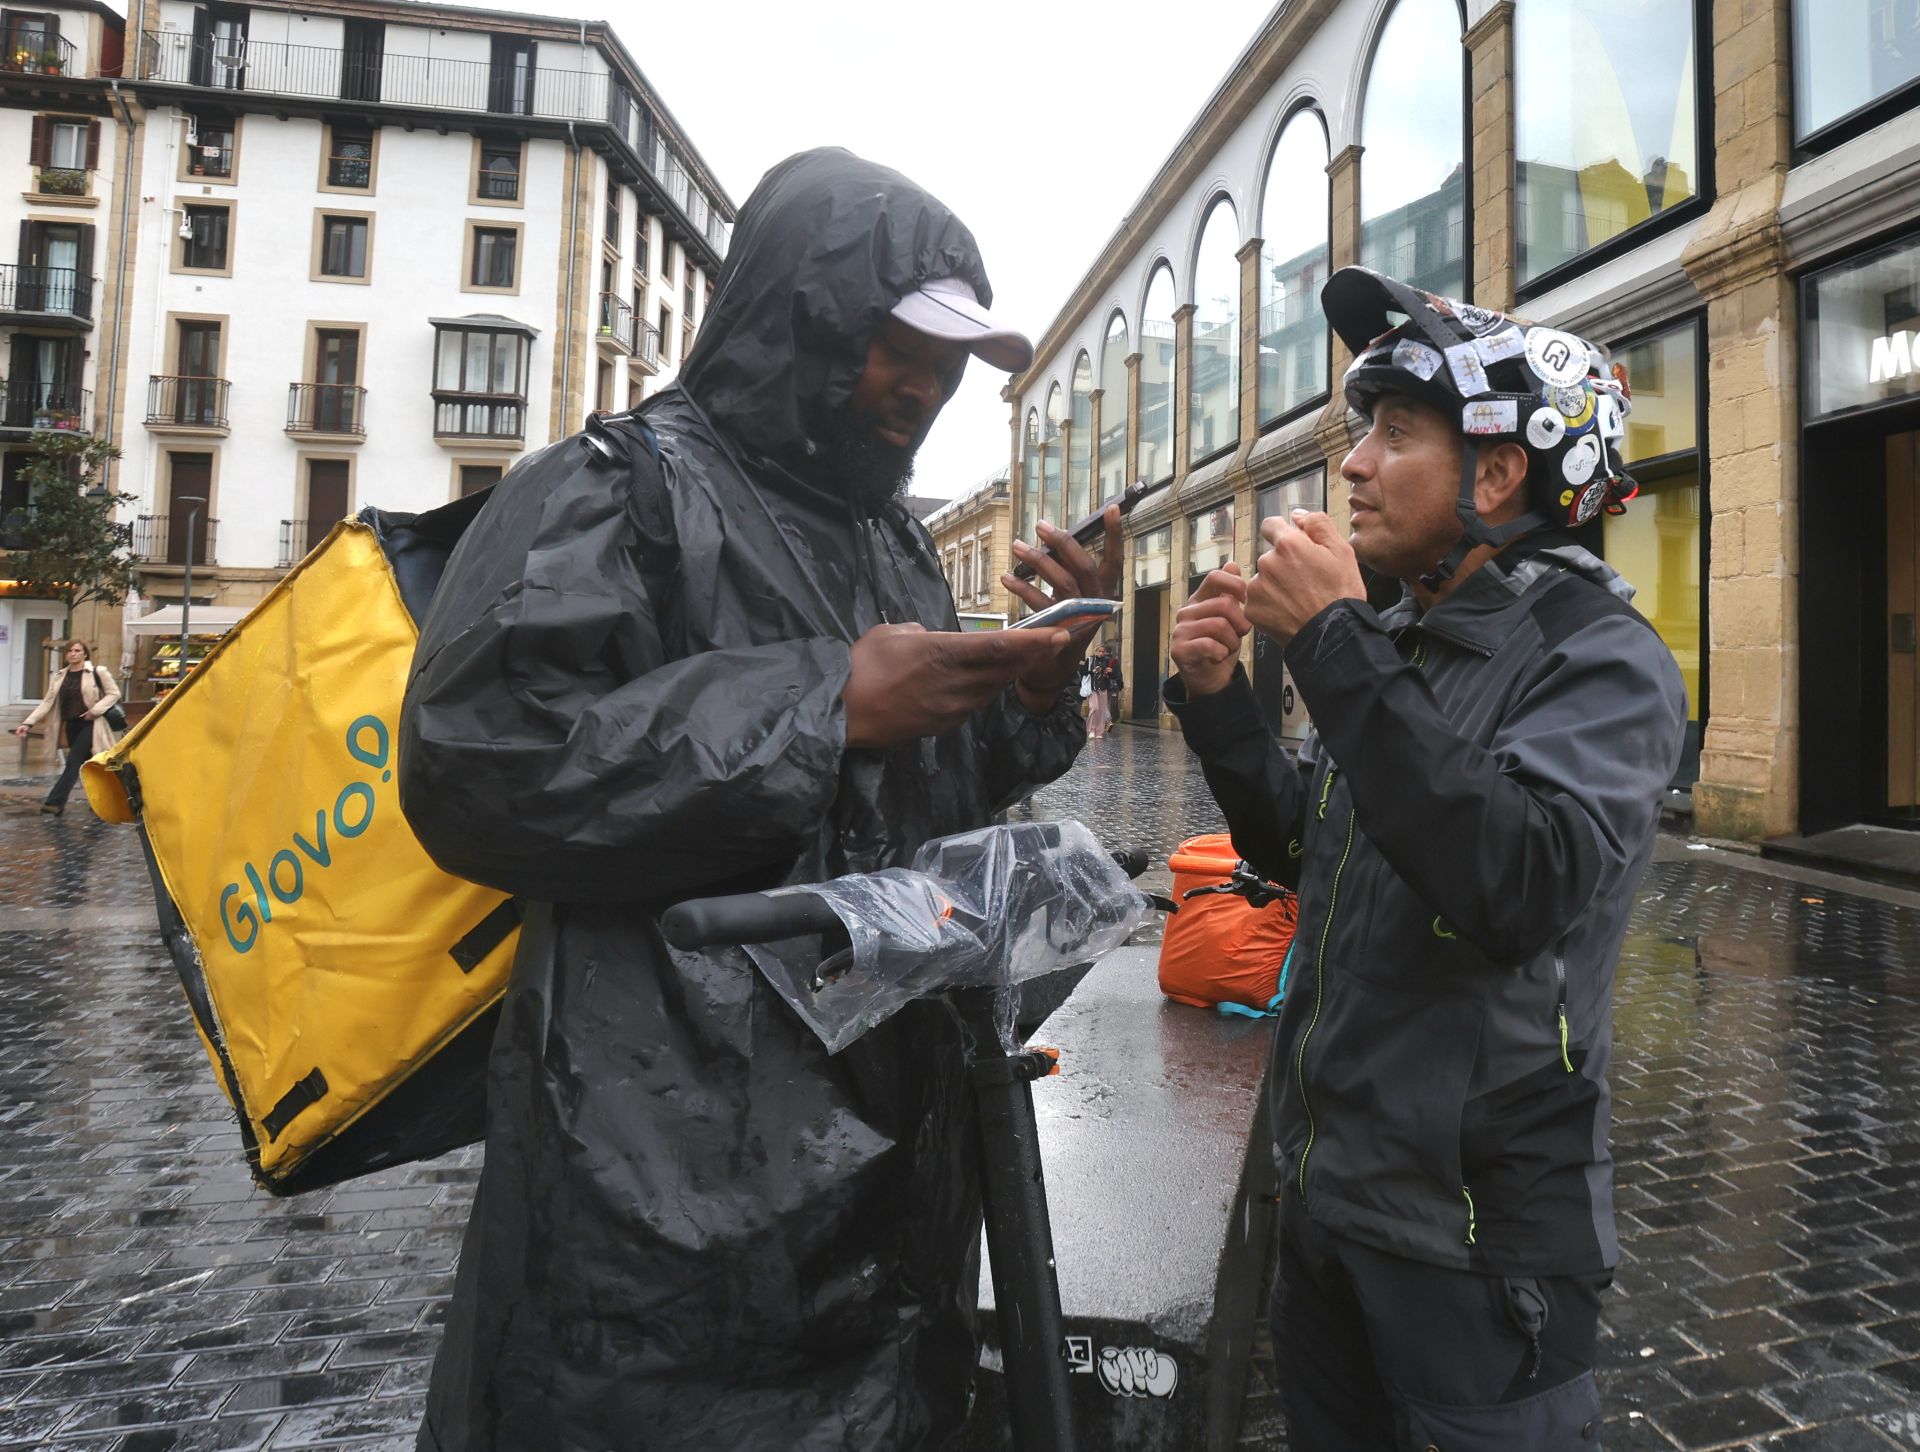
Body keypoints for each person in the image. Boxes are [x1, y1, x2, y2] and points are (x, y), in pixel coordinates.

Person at [397, 147, 1121, 1452]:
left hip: (886, 1183)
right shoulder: (609, 491)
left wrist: (1023, 693)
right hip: (661, 1188)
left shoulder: (891, 539)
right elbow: (478, 766)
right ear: (803, 316)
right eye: (901, 347)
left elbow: (914, 800)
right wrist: (821, 703)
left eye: (950, 361)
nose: (929, 387)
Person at [1165, 266, 1686, 1449]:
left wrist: (1340, 649)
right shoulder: (1403, 636)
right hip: (1335, 1201)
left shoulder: (1601, 656)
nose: (1352, 464)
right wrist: (1219, 706)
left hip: (1479, 1245)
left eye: (1397, 433)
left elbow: (1521, 879)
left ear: (1501, 473)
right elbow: (1317, 845)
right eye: (1364, 433)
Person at [14, 639, 120, 815]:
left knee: (73, 763)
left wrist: (95, 711)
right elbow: (47, 703)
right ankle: (105, 801)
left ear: (85, 654)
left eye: (77, 650)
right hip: (71, 725)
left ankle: (54, 803)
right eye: (70, 651)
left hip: (91, 724)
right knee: (92, 766)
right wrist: (27, 722)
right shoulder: (60, 676)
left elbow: (114, 693)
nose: (73, 653)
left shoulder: (96, 672)